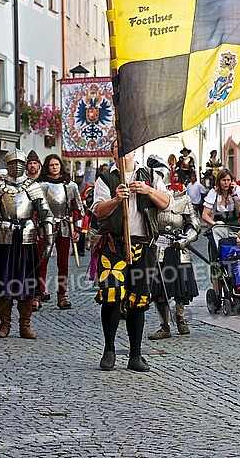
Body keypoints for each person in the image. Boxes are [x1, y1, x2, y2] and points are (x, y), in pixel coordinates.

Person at [92, 139, 171, 372]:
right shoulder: (106, 178)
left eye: (126, 147)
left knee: (139, 299)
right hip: (114, 245)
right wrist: (116, 199)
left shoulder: (151, 175)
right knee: (111, 296)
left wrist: (147, 190)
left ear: (134, 150)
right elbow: (98, 211)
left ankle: (135, 355)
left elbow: (166, 203)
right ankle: (109, 351)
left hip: (144, 244)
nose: (122, 152)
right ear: (113, 152)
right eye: (118, 148)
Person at [0, 149, 54, 339]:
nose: (17, 167)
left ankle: (25, 325)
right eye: (13, 164)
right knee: (3, 282)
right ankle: (5, 324)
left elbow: (46, 214)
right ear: (7, 165)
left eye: (20, 164)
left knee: (27, 283)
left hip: (26, 239)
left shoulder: (34, 187)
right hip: (4, 239)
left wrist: (49, 239)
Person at [147, 155, 200, 340]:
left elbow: (194, 224)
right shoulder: (149, 199)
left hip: (180, 248)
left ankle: (180, 318)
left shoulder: (183, 198)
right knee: (160, 290)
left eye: (160, 174)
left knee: (183, 289)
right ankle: (164, 326)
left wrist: (185, 239)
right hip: (159, 246)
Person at [37, 154, 83, 310]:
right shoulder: (40, 185)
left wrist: (77, 229)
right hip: (45, 226)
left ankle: (62, 295)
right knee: (41, 262)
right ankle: (38, 294)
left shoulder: (70, 186)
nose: (54, 167)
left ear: (60, 166)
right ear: (47, 167)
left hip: (64, 225)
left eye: (56, 164)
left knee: (63, 264)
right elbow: (34, 209)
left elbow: (78, 208)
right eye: (51, 165)